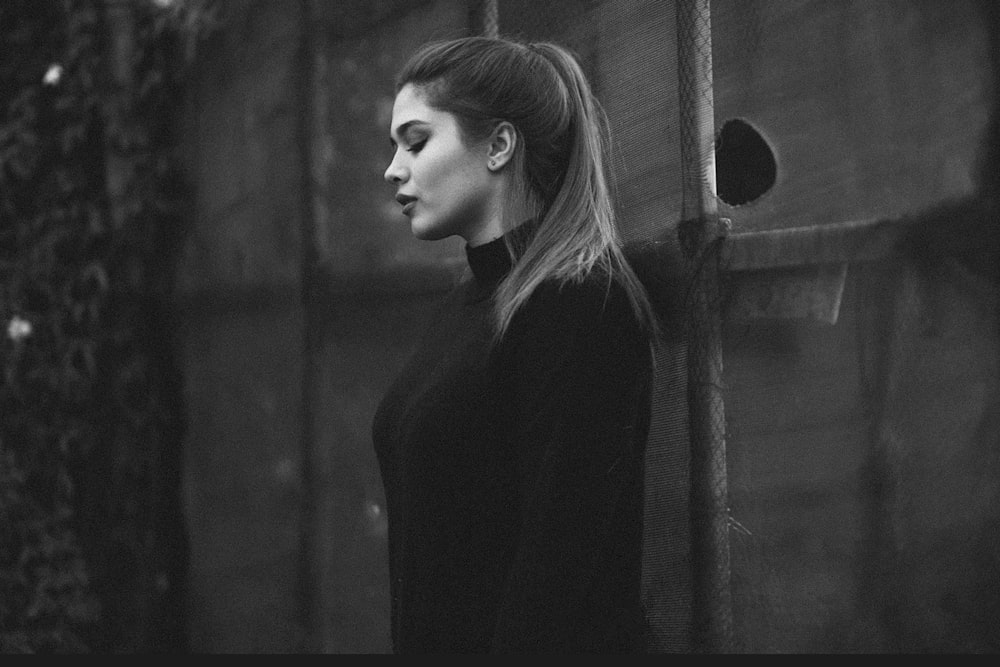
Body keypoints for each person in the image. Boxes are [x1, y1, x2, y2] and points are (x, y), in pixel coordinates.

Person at [371, 35, 661, 654]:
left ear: (499, 146)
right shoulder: (463, 307)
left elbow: (562, 576)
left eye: (416, 142)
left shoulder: (580, 305)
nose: (394, 168)